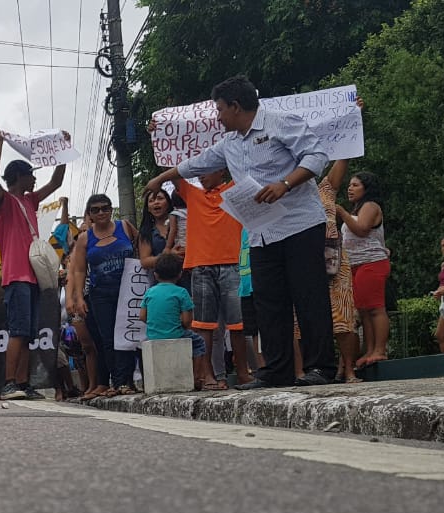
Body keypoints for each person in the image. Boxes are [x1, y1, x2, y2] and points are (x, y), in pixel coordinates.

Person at [146, 75, 335, 390]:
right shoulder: (229, 143)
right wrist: (161, 178)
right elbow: (198, 163)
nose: (218, 117)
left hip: (299, 224)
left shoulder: (280, 122)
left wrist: (285, 184)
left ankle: (321, 367)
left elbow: (316, 156)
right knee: (268, 303)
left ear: (235, 106)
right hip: (261, 232)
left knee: (308, 296)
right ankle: (276, 371)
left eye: (220, 109)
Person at [0, 129, 70, 401]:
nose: (35, 179)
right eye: (31, 175)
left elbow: (56, 181)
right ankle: (9, 383)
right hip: (16, 276)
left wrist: (63, 150)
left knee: (29, 334)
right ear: (19, 176)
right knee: (18, 331)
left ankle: (23, 383)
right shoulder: (4, 201)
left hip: (34, 277)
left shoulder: (30, 200)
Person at [165, 170, 250, 389]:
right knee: (204, 324)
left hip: (232, 264)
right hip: (201, 267)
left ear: (221, 171)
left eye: (206, 171)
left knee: (238, 324)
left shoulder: (233, 188)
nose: (201, 177)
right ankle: (208, 375)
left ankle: (243, 373)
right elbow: (173, 171)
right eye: (199, 173)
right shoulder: (193, 194)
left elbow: (245, 166)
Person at [65, 194, 152, 398]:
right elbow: (79, 270)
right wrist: (78, 297)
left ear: (111, 209)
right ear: (89, 214)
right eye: (95, 210)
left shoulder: (125, 227)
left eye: (105, 208)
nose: (101, 212)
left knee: (133, 333)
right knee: (108, 338)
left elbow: (143, 244)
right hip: (100, 294)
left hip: (129, 289)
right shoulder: (85, 238)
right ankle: (117, 381)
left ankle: (134, 379)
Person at [312, 156, 361, 383]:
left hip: (334, 260)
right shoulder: (285, 194)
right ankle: (305, 371)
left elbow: (343, 157)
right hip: (304, 260)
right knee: (301, 320)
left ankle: (348, 370)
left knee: (342, 317)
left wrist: (346, 139)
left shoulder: (324, 189)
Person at [337, 171, 390, 370]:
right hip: (356, 264)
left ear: (367, 189)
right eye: (349, 185)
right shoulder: (358, 208)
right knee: (364, 311)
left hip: (371, 262)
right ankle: (369, 350)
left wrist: (342, 213)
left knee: (375, 308)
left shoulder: (370, 206)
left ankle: (380, 350)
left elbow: (362, 229)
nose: (350, 189)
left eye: (355, 185)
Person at [140, 251, 207, 387]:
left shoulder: (149, 292)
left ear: (155, 274)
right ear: (180, 274)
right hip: (176, 333)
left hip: (153, 335)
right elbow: (187, 321)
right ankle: (196, 376)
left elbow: (142, 316)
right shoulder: (182, 292)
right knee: (199, 342)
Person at [140, 188, 178, 260]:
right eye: (151, 201)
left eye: (160, 198)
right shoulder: (146, 231)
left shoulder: (181, 222)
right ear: (148, 209)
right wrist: (170, 255)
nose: (156, 202)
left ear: (168, 203)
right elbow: (145, 261)